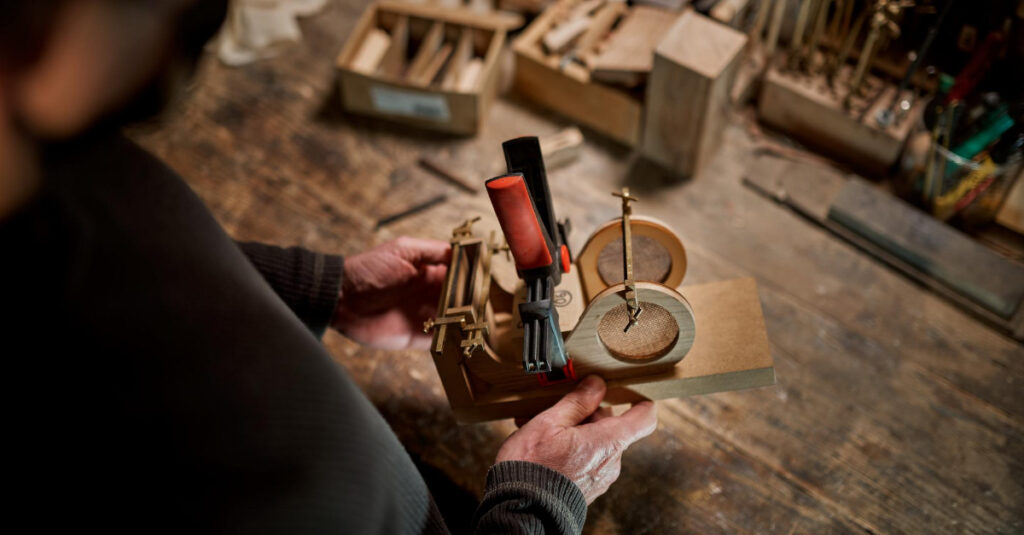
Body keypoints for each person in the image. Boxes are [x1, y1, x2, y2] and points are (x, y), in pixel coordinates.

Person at [0, 1, 657, 532]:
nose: (184, 25)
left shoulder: (44, 150)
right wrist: (535, 506)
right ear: (31, 32)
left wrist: (320, 289)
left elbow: (121, 264)